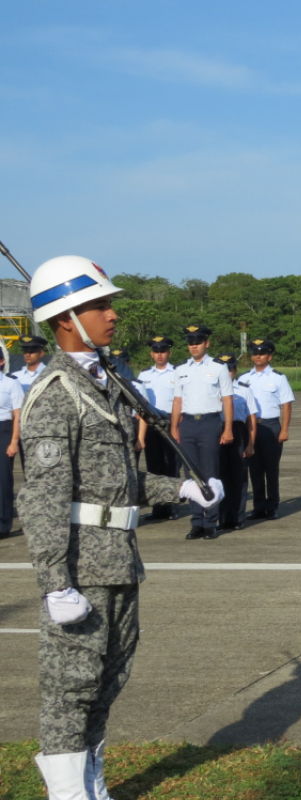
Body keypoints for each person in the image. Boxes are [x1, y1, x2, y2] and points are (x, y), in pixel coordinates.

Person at [19, 255, 222, 800]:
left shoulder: (106, 384)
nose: (112, 314)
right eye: (99, 305)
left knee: (108, 682)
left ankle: (92, 784)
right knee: (70, 688)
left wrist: (178, 488)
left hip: (119, 559)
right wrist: (53, 583)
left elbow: (118, 481)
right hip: (80, 567)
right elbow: (42, 498)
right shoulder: (55, 394)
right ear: (66, 318)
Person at [171, 325, 234, 539]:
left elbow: (227, 399)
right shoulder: (180, 369)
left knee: (210, 473)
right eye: (190, 342)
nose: (193, 345)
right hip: (187, 424)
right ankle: (196, 521)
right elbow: (178, 400)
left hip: (210, 423)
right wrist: (174, 427)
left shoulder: (218, 368)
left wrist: (228, 428)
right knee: (190, 474)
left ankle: (210, 522)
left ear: (206, 343)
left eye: (198, 341)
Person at [242, 339, 294, 521]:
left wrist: (284, 429)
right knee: (254, 470)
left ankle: (272, 507)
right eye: (255, 353)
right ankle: (258, 507)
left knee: (271, 470)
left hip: (271, 426)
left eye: (262, 353)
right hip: (250, 428)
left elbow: (286, 405)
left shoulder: (278, 378)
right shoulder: (243, 379)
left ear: (269, 356)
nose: (258, 356)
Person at [133, 336, 181, 521]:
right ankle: (158, 509)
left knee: (171, 466)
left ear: (169, 353)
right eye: (156, 351)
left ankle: (172, 508)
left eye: (163, 351)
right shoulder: (144, 375)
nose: (159, 355)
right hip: (151, 425)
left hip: (170, 423)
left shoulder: (176, 373)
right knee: (154, 467)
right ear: (151, 353)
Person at [215, 354, 258, 532]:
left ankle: (238, 518)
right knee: (220, 477)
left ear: (235, 370)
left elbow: (251, 419)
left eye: (230, 369)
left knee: (239, 477)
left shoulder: (243, 389)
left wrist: (251, 444)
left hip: (239, 432)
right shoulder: (211, 389)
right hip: (218, 431)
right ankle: (223, 518)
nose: (228, 372)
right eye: (224, 369)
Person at [0, 368, 22, 536]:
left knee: (3, 478)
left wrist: (14, 441)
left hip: (4, 429)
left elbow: (17, 414)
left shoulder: (10, 383)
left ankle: (3, 523)